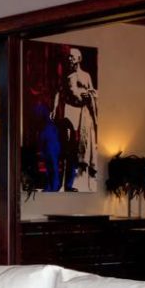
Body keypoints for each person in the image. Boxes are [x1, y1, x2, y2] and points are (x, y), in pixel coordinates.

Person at [51, 47, 98, 191]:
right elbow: (58, 92)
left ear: (79, 59)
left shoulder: (86, 76)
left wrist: (89, 94)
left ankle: (80, 181)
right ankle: (65, 183)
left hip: (83, 113)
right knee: (68, 147)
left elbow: (93, 92)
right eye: (69, 57)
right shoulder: (67, 76)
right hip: (70, 112)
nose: (70, 59)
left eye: (72, 57)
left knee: (82, 145)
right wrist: (54, 109)